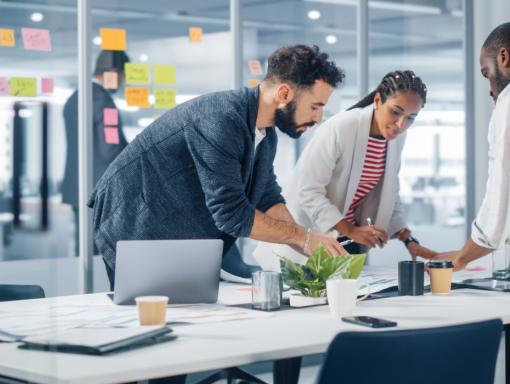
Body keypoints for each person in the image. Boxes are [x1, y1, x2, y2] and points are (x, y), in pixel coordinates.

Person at [87, 44, 346, 289]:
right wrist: (302, 236)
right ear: (284, 94)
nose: (318, 118)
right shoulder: (220, 119)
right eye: (315, 106)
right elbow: (231, 213)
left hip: (176, 222)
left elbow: (267, 197)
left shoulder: (266, 135)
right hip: (134, 215)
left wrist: (307, 243)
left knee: (187, 308)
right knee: (148, 311)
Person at [255, 70, 437, 270]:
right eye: (396, 112)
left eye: (411, 118)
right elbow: (308, 190)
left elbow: (390, 190)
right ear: (377, 100)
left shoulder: (396, 138)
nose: (401, 124)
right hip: (309, 238)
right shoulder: (342, 127)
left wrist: (408, 240)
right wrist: (350, 229)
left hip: (346, 241)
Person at [433, 22, 510, 270]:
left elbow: (500, 188)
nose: (490, 89)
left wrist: (462, 257)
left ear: (504, 58)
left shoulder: (508, 101)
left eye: (486, 73)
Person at [62, 50, 130, 255]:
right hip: (102, 191)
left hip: (78, 188)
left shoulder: (74, 98)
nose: (123, 83)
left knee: (84, 249)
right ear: (113, 72)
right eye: (124, 77)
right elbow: (110, 147)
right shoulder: (103, 101)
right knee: (103, 250)